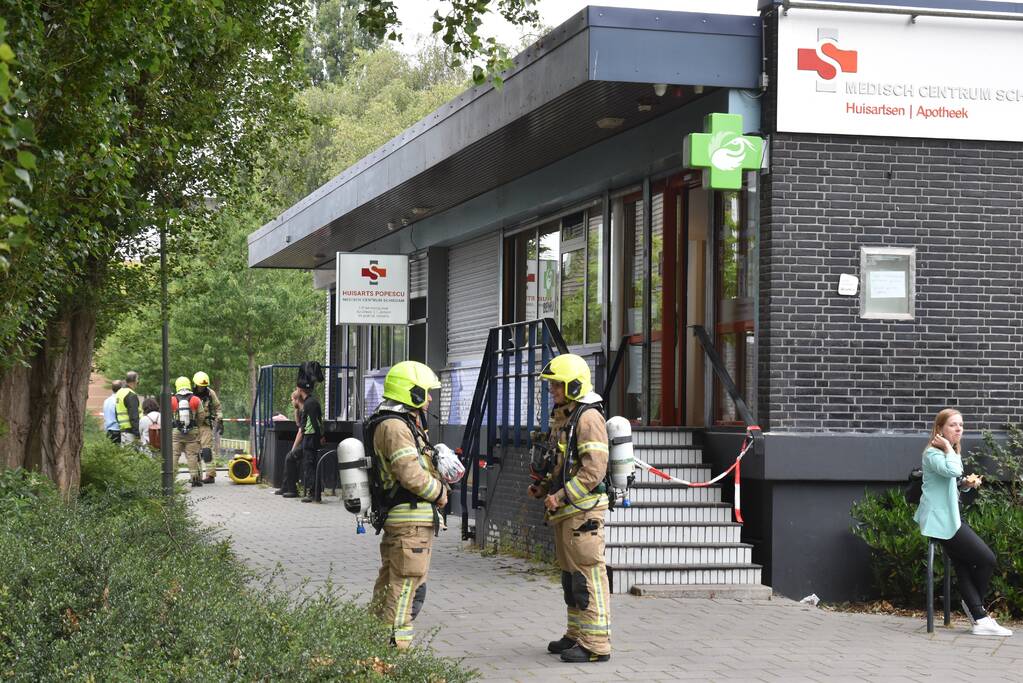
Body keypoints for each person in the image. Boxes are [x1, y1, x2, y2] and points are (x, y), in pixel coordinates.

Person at [528, 353, 611, 663]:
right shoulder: (564, 415)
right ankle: (576, 634)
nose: (552, 391)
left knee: (588, 575)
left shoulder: (588, 418)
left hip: (584, 511)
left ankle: (596, 644)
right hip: (567, 512)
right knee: (570, 576)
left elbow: (594, 470)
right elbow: (561, 463)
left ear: (573, 386)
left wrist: (560, 496)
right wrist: (544, 489)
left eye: (557, 386)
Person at [367, 360, 446, 650]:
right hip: (410, 522)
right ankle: (394, 651)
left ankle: (372, 644)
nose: (429, 399)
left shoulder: (389, 421)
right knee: (406, 589)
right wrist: (439, 491)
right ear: (410, 393)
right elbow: (409, 473)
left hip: (402, 520)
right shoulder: (397, 427)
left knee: (390, 583)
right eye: (425, 392)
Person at [915, 408, 1012, 637]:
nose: (959, 428)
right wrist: (949, 448)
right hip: (941, 521)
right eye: (953, 425)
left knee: (964, 565)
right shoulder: (933, 453)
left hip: (950, 517)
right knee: (987, 559)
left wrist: (964, 485)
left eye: (961, 425)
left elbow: (951, 480)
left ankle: (979, 617)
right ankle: (977, 612)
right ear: (940, 429)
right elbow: (953, 469)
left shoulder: (948, 452)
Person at [170, 376, 203, 487]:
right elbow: (201, 416)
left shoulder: (172, 400)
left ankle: (171, 479)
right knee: (191, 455)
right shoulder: (195, 399)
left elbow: (167, 415)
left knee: (174, 455)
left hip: (176, 432)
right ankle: (195, 479)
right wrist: (196, 426)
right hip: (192, 432)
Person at [297, 380, 325, 503]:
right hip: (311, 436)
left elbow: (315, 421)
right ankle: (313, 491)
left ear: (300, 390)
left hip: (310, 437)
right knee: (310, 465)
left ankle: (312, 492)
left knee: (309, 465)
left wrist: (320, 436)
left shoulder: (310, 404)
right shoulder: (311, 402)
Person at [193, 371, 222, 484]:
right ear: (196, 384)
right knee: (194, 452)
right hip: (194, 425)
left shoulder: (210, 393)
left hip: (205, 425)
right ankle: (196, 476)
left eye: (204, 386)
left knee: (207, 451)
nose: (202, 387)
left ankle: (210, 475)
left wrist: (219, 419)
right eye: (200, 385)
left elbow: (218, 407)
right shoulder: (191, 395)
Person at [277, 389, 306, 497]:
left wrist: (293, 448)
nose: (291, 402)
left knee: (290, 457)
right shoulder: (300, 411)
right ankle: (285, 487)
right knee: (289, 457)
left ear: (297, 400)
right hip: (306, 441)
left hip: (308, 442)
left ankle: (292, 489)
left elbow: (301, 432)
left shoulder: (304, 411)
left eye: (292, 400)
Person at [115, 371, 141, 446]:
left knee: (126, 454)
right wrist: (137, 434)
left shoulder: (119, 393)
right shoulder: (131, 395)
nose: (138, 382)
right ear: (134, 381)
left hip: (123, 430)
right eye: (137, 379)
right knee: (132, 455)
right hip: (131, 431)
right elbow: (134, 416)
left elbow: (116, 412)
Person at [103, 380, 124, 444]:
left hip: (109, 432)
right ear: (121, 389)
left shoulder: (106, 401)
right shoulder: (120, 401)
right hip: (118, 431)